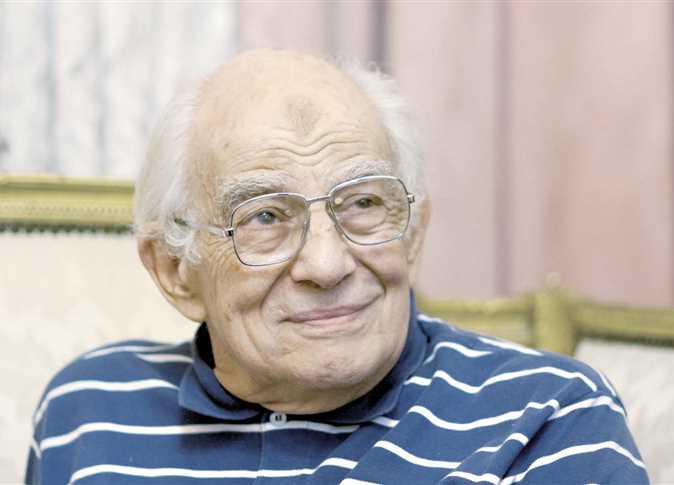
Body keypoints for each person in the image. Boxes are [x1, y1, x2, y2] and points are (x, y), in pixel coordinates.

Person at [26, 49, 648, 484]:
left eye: (364, 204)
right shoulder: (89, 410)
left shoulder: (547, 416)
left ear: (413, 233)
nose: (326, 265)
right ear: (173, 269)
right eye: (265, 216)